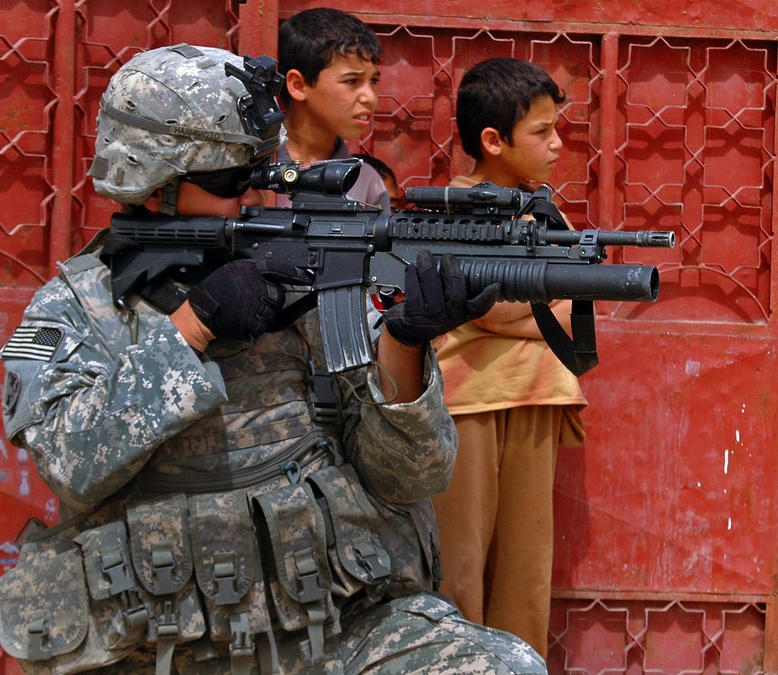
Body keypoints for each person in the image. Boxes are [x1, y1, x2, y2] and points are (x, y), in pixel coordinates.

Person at [0, 44, 548, 675]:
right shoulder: (75, 308)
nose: (261, 196)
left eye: (268, 171)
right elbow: (72, 462)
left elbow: (410, 479)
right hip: (151, 648)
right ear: (155, 185)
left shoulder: (306, 284)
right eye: (234, 182)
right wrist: (194, 324)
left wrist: (404, 345)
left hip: (335, 631)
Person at [430, 57, 588, 658]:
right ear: (493, 142)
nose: (557, 142)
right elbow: (486, 308)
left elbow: (580, 301)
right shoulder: (454, 207)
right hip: (466, 403)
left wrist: (532, 304)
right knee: (460, 569)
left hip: (536, 396)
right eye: (542, 131)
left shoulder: (543, 210)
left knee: (525, 571)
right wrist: (545, 304)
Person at [277, 8, 391, 211]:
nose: (370, 98)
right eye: (351, 81)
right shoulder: (253, 169)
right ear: (298, 85)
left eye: (373, 80)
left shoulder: (366, 182)